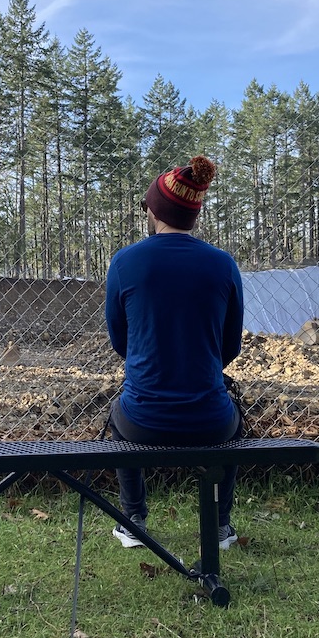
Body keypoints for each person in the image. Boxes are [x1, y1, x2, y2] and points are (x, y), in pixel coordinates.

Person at [104, 155, 245, 550]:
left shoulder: (125, 262)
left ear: (154, 209)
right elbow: (229, 346)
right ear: (194, 215)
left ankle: (133, 519)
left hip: (142, 419)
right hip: (211, 420)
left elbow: (120, 341)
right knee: (235, 420)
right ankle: (218, 525)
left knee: (118, 415)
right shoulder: (223, 265)